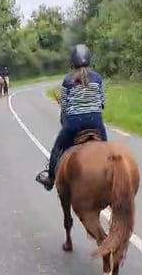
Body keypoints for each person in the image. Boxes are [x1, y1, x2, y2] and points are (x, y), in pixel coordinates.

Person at [35, 44, 107, 191]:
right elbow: (101, 102)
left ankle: (50, 178)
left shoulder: (68, 80)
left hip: (74, 123)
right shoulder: (98, 78)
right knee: (107, 150)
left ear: (72, 61)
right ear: (89, 59)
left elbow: (66, 106)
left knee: (57, 148)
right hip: (96, 121)